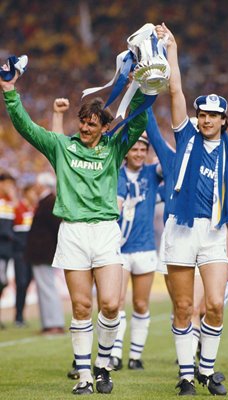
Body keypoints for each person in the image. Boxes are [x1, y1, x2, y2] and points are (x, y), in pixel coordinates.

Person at [0, 63, 147, 395]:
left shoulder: (114, 149)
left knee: (110, 304)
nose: (84, 127)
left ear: (103, 127)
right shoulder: (62, 148)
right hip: (73, 233)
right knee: (81, 307)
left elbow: (139, 120)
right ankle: (84, 375)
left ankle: (103, 363)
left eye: (91, 124)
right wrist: (9, 91)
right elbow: (26, 127)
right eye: (82, 121)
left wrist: (144, 87)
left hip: (106, 231)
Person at [155, 23, 228, 396]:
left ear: (224, 120)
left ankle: (206, 372)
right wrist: (172, 50)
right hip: (180, 229)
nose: (206, 119)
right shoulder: (186, 136)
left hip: (212, 234)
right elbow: (175, 89)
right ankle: (186, 375)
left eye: (213, 115)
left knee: (214, 305)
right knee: (181, 308)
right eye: (202, 114)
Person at [109, 133, 162, 371]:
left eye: (143, 150)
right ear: (126, 152)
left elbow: (174, 161)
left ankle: (135, 356)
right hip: (118, 249)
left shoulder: (152, 173)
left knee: (141, 304)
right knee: (116, 302)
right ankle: (115, 354)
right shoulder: (115, 173)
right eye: (134, 150)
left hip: (145, 248)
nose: (139, 154)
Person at [25, 172, 65, 334]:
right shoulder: (47, 201)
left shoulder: (49, 202)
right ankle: (50, 322)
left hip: (44, 253)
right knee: (45, 288)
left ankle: (54, 323)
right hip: (43, 253)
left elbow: (56, 228)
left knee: (47, 288)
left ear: (42, 185)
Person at [13, 181, 37, 327]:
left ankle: (20, 316)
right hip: (19, 252)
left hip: (30, 253)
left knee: (27, 283)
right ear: (26, 193)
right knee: (21, 283)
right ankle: (18, 316)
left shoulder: (34, 209)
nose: (35, 195)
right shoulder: (18, 208)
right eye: (33, 192)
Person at [0, 171, 17, 329]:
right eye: (8, 184)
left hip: (6, 252)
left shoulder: (9, 203)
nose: (10, 187)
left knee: (2, 282)